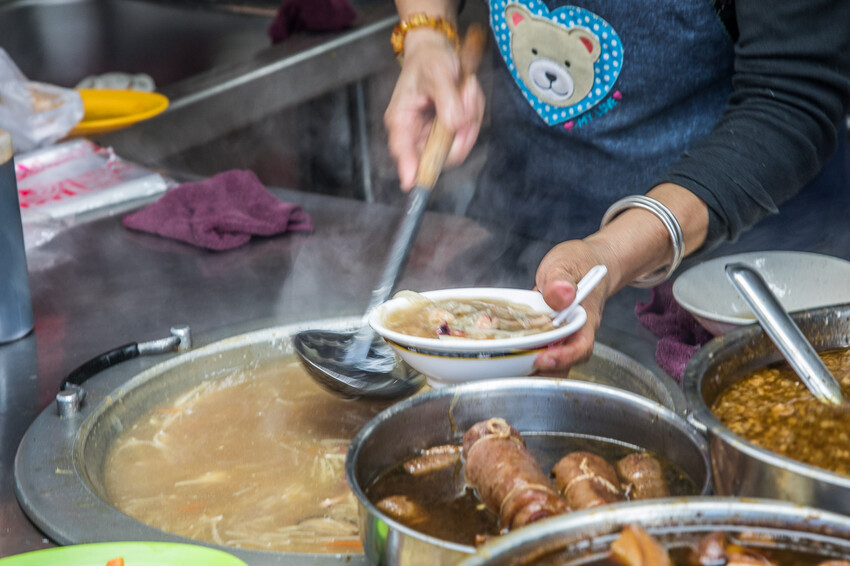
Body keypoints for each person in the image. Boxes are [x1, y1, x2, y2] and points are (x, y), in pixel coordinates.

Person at [384, 0, 850, 371]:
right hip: (527, 227)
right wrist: (426, 34)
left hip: (738, 277)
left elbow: (791, 98)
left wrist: (608, 253)